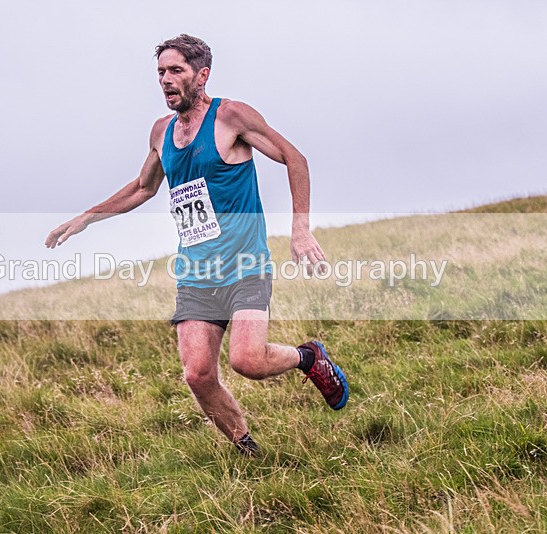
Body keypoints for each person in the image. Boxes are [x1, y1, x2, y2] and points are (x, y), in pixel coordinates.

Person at [45, 34, 348, 455]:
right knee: (198, 374)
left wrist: (301, 229)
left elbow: (294, 158)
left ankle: (309, 358)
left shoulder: (231, 117)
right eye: (161, 73)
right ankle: (248, 450)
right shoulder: (161, 131)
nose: (166, 80)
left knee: (248, 361)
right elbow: (142, 188)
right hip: (197, 272)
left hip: (245, 264)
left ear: (201, 75)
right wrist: (86, 218)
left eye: (176, 71)